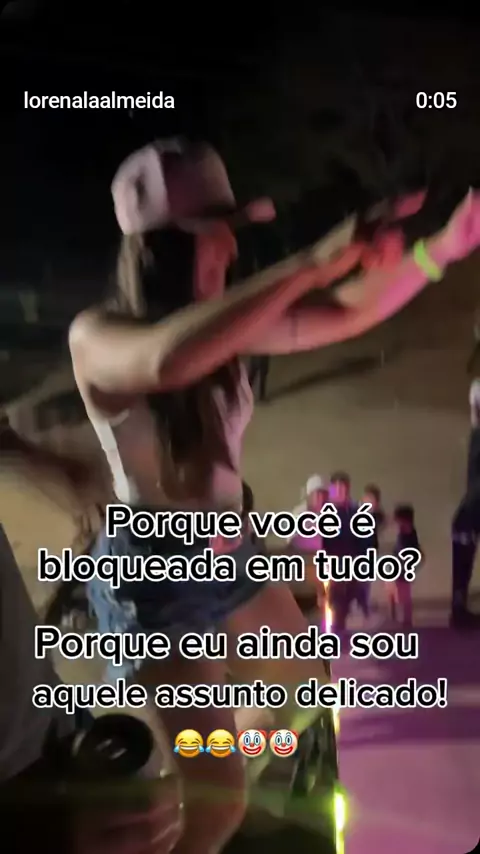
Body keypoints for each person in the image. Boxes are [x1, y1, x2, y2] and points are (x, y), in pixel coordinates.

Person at [68, 142, 480, 850]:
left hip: (231, 552)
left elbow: (345, 313)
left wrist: (442, 247)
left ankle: (189, 765)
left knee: (304, 693)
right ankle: (188, 780)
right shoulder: (97, 334)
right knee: (220, 806)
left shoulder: (226, 328)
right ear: (167, 248)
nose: (233, 249)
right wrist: (313, 262)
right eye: (218, 234)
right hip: (156, 576)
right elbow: (165, 359)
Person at [450, 378, 480, 628]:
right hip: (470, 513)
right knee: (462, 566)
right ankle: (458, 611)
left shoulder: (476, 438)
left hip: (467, 514)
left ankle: (458, 610)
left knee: (462, 567)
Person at [388, 503, 422, 627]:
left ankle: (406, 620)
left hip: (402, 568)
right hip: (398, 566)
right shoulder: (405, 532)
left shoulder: (408, 533)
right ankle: (397, 617)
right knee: (394, 591)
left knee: (403, 594)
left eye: (398, 520)